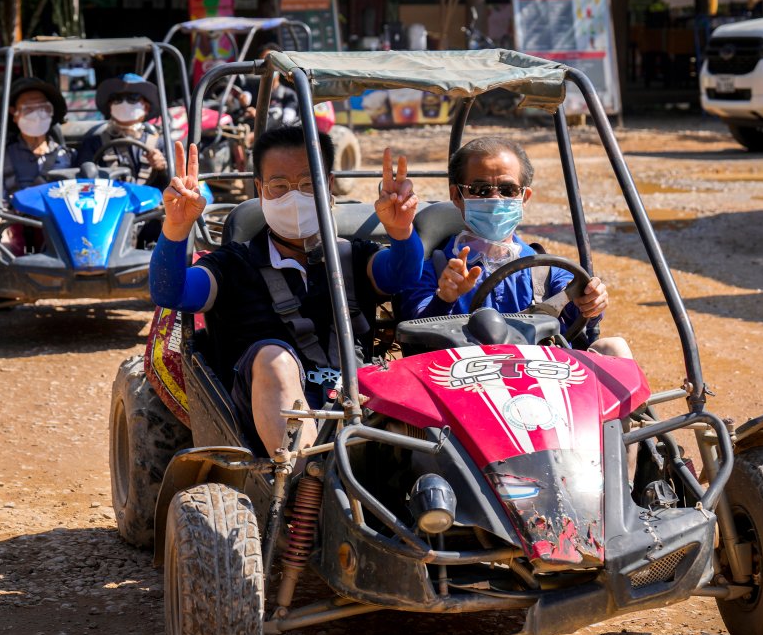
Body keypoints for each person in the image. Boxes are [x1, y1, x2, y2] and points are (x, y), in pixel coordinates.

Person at [150, 127, 424, 457]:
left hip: (357, 407)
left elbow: (404, 275)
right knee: (273, 357)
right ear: (260, 189)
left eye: (308, 185)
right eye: (280, 187)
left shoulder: (352, 257)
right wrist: (176, 228)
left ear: (329, 185)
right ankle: (304, 480)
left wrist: (401, 230)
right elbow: (171, 292)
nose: (294, 197)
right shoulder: (234, 264)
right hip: (262, 420)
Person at [396, 136, 631, 359]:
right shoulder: (434, 269)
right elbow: (415, 335)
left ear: (524, 196)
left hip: (541, 379)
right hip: (466, 384)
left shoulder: (544, 268)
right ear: (457, 196)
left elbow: (576, 313)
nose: (497, 199)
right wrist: (445, 298)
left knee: (614, 347)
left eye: (508, 191)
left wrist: (590, 302)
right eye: (481, 190)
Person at [0, 77, 72, 255]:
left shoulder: (66, 155)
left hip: (56, 223)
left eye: (43, 108)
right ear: (14, 113)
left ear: (51, 112)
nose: (37, 115)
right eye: (29, 109)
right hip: (11, 218)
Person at [74, 73, 168, 188]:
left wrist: (162, 168)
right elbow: (81, 183)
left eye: (133, 97)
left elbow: (176, 184)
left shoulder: (161, 144)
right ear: (110, 106)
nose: (124, 103)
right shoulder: (93, 144)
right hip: (107, 204)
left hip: (151, 205)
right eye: (117, 98)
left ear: (146, 107)